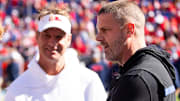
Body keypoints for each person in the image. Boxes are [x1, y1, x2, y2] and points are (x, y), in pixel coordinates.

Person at [5, 6, 107, 101]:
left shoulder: (88, 81)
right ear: (37, 36)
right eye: (47, 36)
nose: (52, 43)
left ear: (68, 39)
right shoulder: (17, 89)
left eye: (58, 37)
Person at [96, 1, 176, 101]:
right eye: (98, 31)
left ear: (129, 30)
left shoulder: (136, 80)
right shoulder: (158, 63)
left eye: (105, 30)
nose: (98, 38)